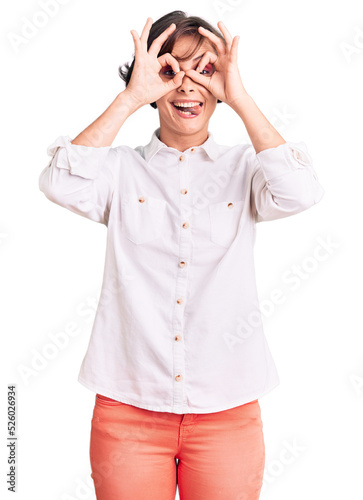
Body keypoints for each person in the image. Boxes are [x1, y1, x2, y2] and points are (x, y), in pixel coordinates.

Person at [38, 10, 324, 500]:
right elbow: (58, 181)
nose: (187, 86)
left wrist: (241, 97)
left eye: (205, 71)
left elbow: (301, 192)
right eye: (170, 71)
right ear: (150, 79)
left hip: (226, 411)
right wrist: (130, 98)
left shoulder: (246, 168)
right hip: (128, 408)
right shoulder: (119, 171)